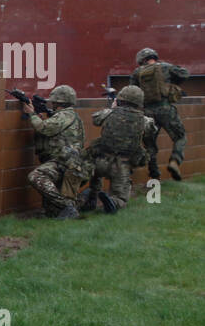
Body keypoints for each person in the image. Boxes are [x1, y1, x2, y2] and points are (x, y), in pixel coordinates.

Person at [80, 85, 158, 213]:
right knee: (121, 198)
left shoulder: (110, 113)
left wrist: (113, 108)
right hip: (122, 165)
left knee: (95, 178)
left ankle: (92, 197)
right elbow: (152, 130)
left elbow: (96, 119)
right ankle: (112, 202)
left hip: (101, 161)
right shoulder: (144, 120)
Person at [21, 84, 90, 219]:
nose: (51, 104)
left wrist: (32, 114)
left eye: (53, 102)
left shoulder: (64, 115)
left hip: (64, 162)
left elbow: (43, 128)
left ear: (58, 102)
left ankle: (67, 206)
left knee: (36, 176)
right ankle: (81, 201)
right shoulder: (71, 116)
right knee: (51, 213)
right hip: (71, 164)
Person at [129, 48, 188, 181]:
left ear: (141, 60)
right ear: (154, 56)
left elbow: (132, 92)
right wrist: (173, 81)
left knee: (150, 145)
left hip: (147, 113)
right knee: (180, 137)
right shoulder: (165, 67)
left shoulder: (137, 73)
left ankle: (154, 175)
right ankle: (175, 161)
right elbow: (185, 74)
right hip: (166, 110)